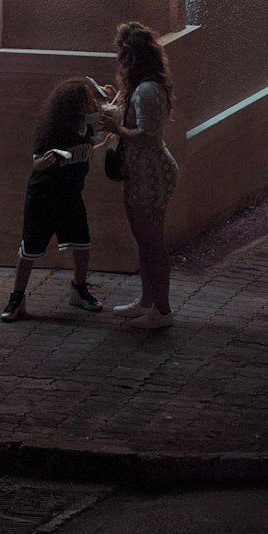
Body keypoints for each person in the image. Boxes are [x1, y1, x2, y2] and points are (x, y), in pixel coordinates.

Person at [0, 78, 105, 322]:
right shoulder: (54, 130)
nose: (92, 105)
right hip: (44, 197)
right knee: (30, 247)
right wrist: (44, 163)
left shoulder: (87, 127)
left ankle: (79, 289)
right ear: (72, 106)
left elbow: (106, 117)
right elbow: (35, 162)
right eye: (86, 101)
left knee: (81, 243)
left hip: (71, 195)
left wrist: (104, 97)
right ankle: (17, 296)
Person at [98, 20, 178, 330]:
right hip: (141, 171)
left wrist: (117, 129)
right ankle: (147, 301)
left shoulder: (146, 89)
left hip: (151, 173)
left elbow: (148, 135)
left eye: (120, 51)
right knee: (143, 241)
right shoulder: (142, 87)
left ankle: (162, 309)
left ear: (130, 55)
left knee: (152, 242)